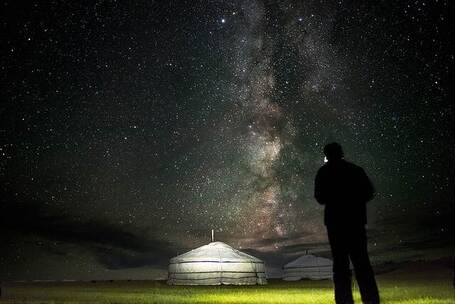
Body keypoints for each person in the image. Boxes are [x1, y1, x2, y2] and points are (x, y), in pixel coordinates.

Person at [315, 143, 380, 304]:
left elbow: (320, 198)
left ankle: (344, 300)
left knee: (340, 265)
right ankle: (371, 300)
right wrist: (353, 200)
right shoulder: (355, 170)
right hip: (355, 221)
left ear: (327, 154)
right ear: (341, 153)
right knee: (362, 263)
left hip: (335, 223)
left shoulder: (323, 172)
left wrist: (335, 198)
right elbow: (369, 192)